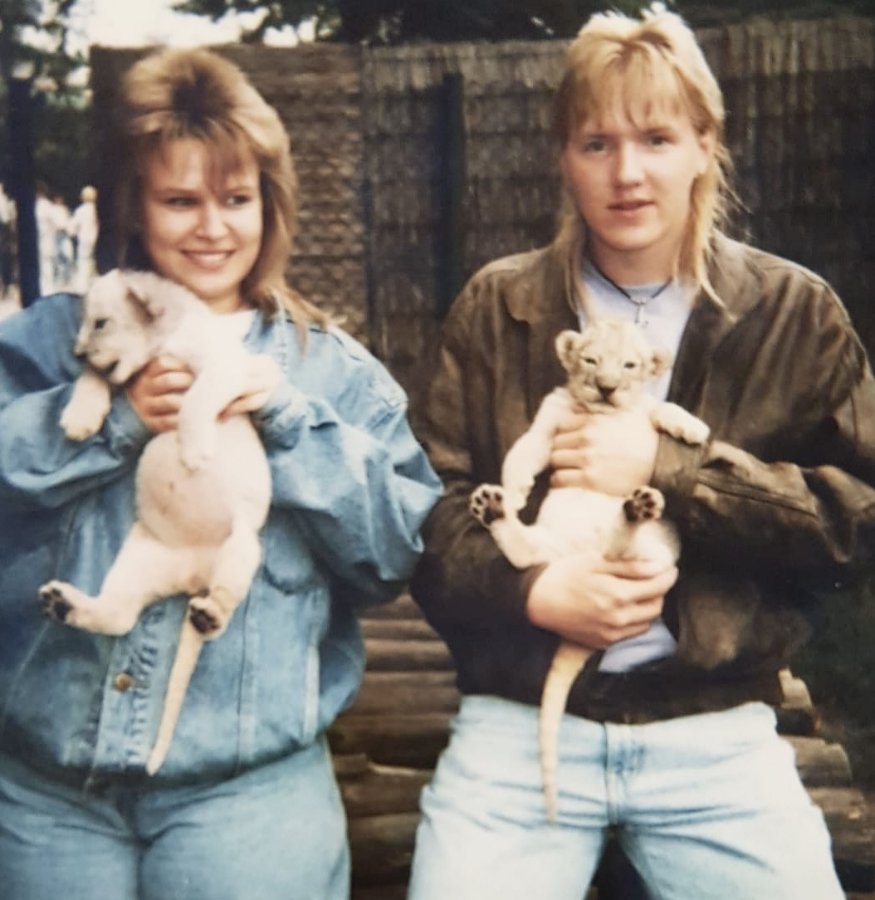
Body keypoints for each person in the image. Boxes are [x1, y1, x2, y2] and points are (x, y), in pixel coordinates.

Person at [407, 7, 875, 900]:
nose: (626, 173)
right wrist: (530, 590)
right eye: (597, 143)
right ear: (564, 156)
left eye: (656, 138)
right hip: (520, 723)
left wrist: (673, 473)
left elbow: (857, 520)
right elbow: (423, 505)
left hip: (713, 724)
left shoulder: (793, 312)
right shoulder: (498, 306)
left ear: (704, 144)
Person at [0, 47, 441, 900]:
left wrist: (289, 421)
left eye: (235, 199)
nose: (211, 227)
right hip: (45, 797)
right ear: (132, 206)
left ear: (270, 206)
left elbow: (392, 555)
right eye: (179, 200)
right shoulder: (50, 342)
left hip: (244, 803)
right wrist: (117, 422)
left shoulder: (330, 372)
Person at [68, 184, 99, 293]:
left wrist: (72, 233)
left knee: (83, 264)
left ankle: (82, 290)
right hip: (96, 240)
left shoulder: (80, 210)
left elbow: (72, 228)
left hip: (84, 240)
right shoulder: (97, 210)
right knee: (95, 265)